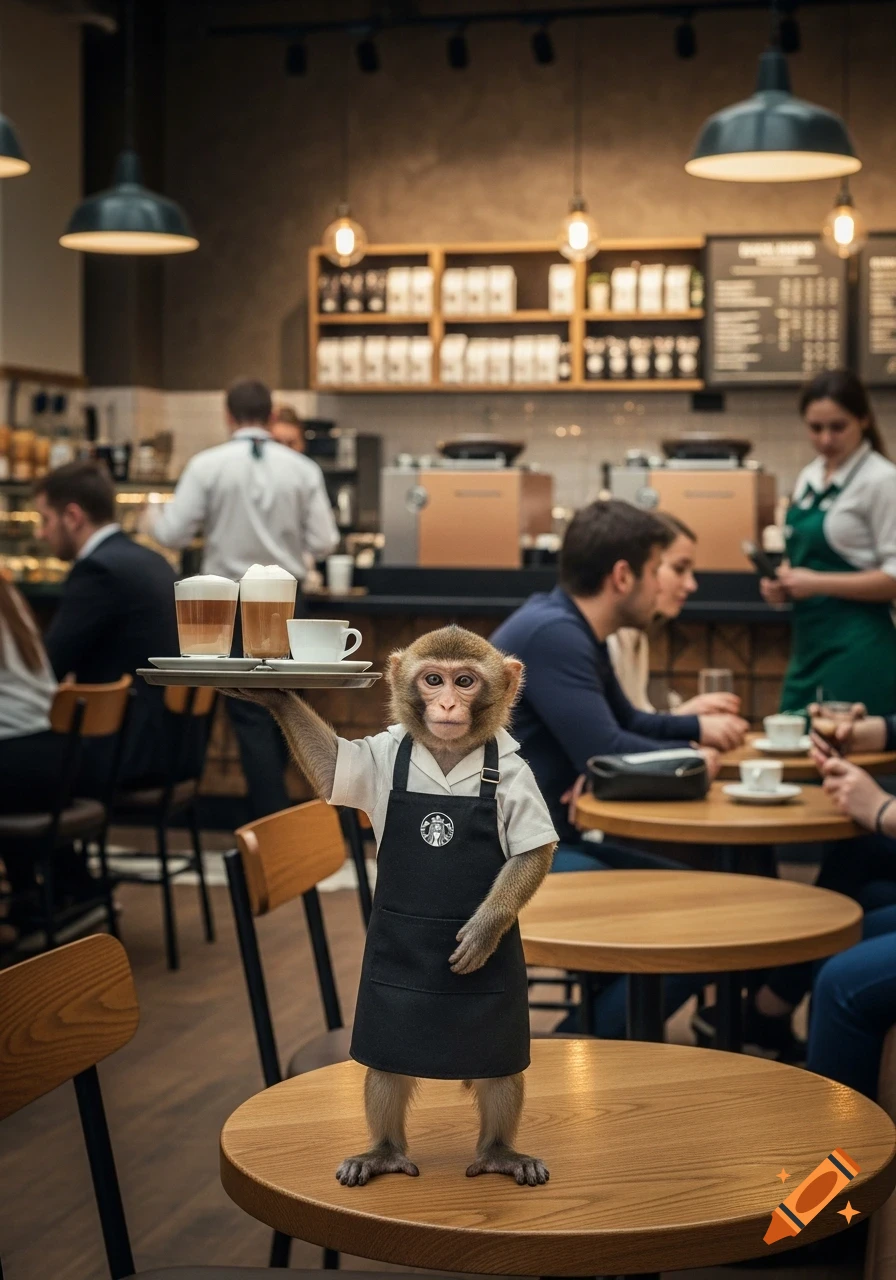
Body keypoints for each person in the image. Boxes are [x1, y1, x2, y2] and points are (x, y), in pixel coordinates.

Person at [490, 498, 748, 864]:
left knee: (704, 874)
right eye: (657, 570)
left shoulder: (572, 626)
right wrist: (692, 759)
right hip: (509, 857)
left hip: (544, 838)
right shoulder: (555, 634)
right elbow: (604, 752)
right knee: (694, 888)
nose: (661, 586)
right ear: (624, 577)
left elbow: (629, 722)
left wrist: (696, 730)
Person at [147, 378, 339, 817]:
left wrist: (150, 518)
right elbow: (325, 541)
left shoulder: (207, 465)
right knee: (291, 706)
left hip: (226, 603)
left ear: (227, 415)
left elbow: (173, 533)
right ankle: (295, 820)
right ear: (272, 416)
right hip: (288, 601)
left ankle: (272, 820)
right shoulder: (301, 469)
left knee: (252, 714)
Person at [34, 461, 178, 788]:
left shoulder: (98, 570)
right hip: (169, 748)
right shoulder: (152, 560)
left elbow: (46, 668)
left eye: (45, 520)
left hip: (119, 753)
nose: (40, 534)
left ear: (72, 517)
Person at [761, 370, 896, 715]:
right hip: (808, 645)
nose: (825, 439)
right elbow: (803, 561)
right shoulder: (809, 476)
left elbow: (893, 578)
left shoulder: (882, 481)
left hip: (860, 647)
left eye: (837, 427)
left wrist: (816, 582)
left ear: (863, 419)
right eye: (815, 428)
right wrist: (784, 585)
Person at [607, 512, 741, 717]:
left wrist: (687, 716)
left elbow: (638, 722)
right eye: (679, 569)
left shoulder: (636, 636)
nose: (691, 585)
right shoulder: (608, 640)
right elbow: (616, 737)